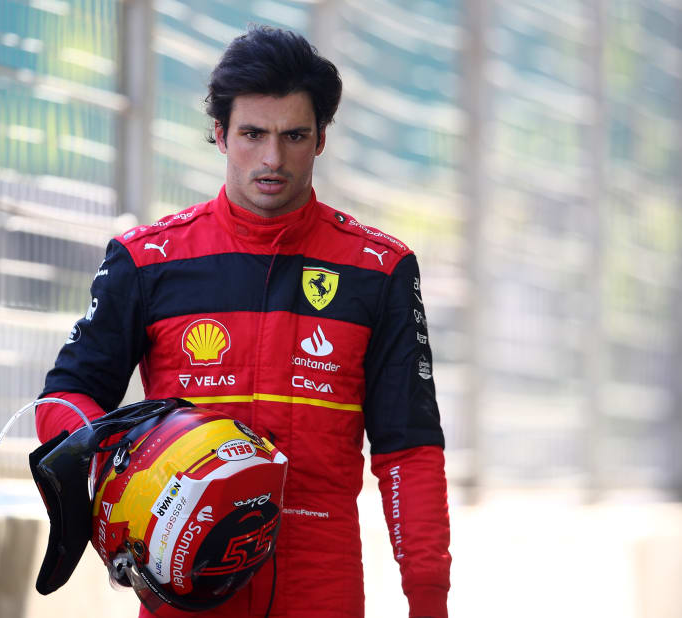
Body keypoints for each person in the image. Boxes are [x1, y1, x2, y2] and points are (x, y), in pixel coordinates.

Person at [36, 25, 451, 618]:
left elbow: (409, 450)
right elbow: (65, 398)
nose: (272, 159)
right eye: (253, 134)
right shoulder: (147, 261)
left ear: (322, 139)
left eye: (294, 136)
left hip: (321, 588)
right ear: (219, 133)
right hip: (181, 591)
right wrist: (121, 461)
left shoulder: (378, 270)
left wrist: (429, 599)